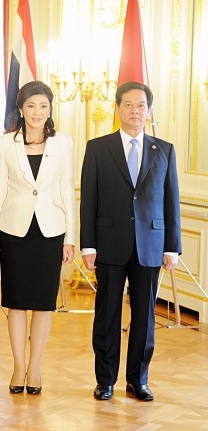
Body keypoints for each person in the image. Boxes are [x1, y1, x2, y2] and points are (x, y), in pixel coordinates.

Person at [80, 81, 181, 402]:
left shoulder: (164, 150)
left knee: (145, 318)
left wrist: (172, 246)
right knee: (107, 315)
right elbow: (89, 199)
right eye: (128, 105)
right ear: (117, 108)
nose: (135, 111)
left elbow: (171, 200)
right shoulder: (98, 148)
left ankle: (138, 379)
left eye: (141, 105)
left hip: (150, 245)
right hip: (109, 244)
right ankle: (105, 379)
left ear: (149, 111)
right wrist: (88, 245)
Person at [0, 81, 76, 395]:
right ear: (21, 109)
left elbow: (67, 190)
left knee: (42, 304)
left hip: (51, 232)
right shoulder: (5, 142)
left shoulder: (63, 143)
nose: (37, 112)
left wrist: (70, 238)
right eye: (31, 106)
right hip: (14, 232)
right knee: (16, 303)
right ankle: (17, 366)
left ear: (50, 109)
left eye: (43, 106)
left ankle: (35, 367)